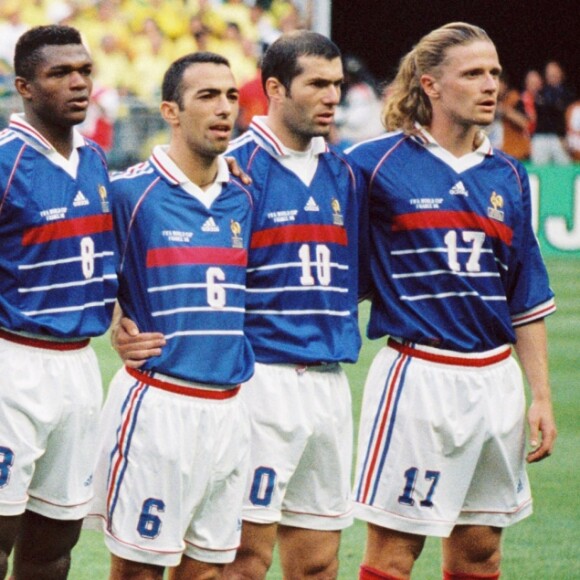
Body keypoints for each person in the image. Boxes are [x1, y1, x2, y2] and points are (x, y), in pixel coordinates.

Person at [114, 30, 368, 580]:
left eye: (337, 85)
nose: (332, 97)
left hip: (328, 382)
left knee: (320, 562)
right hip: (256, 383)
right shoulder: (237, 170)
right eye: (317, 84)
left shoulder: (345, 173)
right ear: (276, 88)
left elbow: (361, 274)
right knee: (240, 560)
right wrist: (118, 321)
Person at [346, 22, 557, 580]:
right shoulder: (372, 163)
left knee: (481, 553)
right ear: (431, 86)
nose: (490, 85)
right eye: (473, 73)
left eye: (493, 73)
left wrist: (541, 396)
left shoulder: (508, 174)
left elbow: (526, 294)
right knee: (393, 556)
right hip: (419, 376)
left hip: (495, 381)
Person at [88, 52, 254, 580]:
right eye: (207, 96)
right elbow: (90, 274)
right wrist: (117, 322)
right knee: (138, 571)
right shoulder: (129, 193)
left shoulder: (242, 197)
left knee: (206, 571)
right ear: (171, 111)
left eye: (230, 95)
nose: (224, 108)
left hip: (229, 409)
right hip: (159, 405)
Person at [0, 24, 116, 579]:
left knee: (54, 544)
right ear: (24, 86)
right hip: (12, 365)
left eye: (85, 71)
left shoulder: (95, 161)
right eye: (59, 74)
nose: (78, 83)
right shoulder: (5, 162)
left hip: (80, 369)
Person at [531, 61, 575, 165]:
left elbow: (566, 114)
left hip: (561, 138)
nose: (552, 75)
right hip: (541, 136)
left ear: (561, 73)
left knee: (565, 168)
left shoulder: (569, 94)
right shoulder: (541, 93)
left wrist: (564, 136)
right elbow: (546, 111)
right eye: (549, 72)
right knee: (539, 170)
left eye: (555, 71)